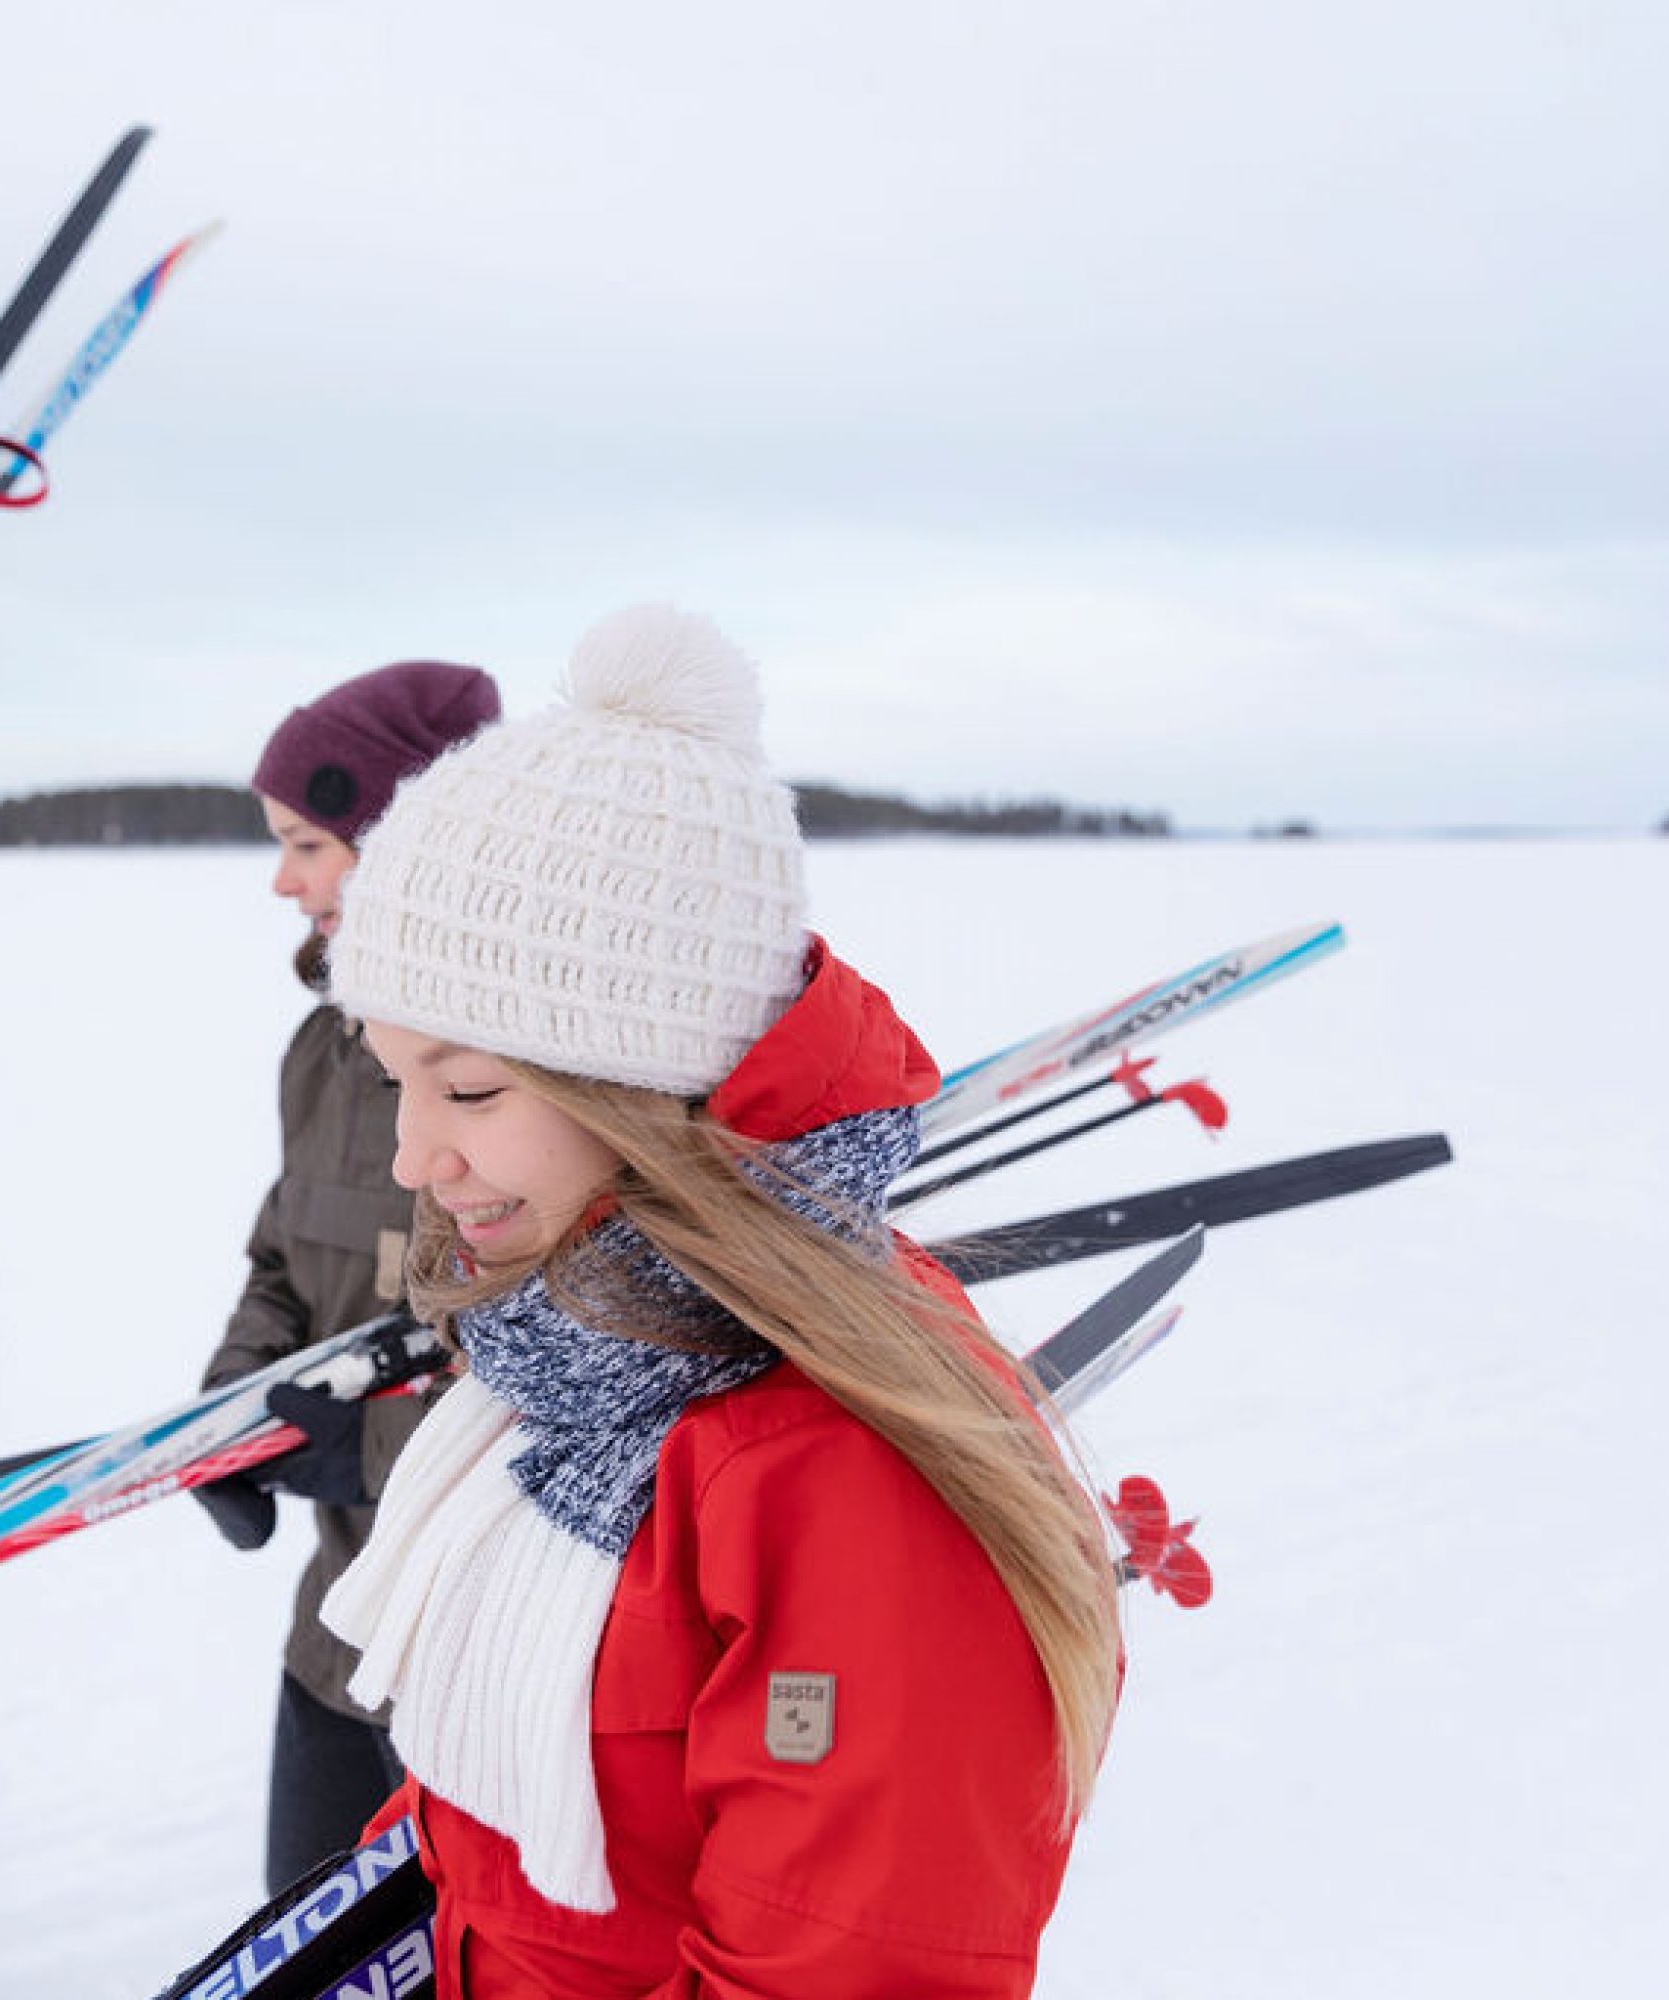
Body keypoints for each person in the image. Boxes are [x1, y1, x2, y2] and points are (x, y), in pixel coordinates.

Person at [314, 606, 1126, 1998]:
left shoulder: (838, 1466)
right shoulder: (581, 1352)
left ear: (648, 1092)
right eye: (397, 1078)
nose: (412, 1156)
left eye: (469, 1088)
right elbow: (514, 1835)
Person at [195, 658, 505, 1896]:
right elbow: (282, 1250)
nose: (284, 879)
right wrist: (235, 1408)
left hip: (489, 1660)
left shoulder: (520, 1074)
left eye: (310, 843)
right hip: (340, 1632)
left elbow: (564, 1358)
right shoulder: (322, 1053)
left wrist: (360, 1452)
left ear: (400, 839)